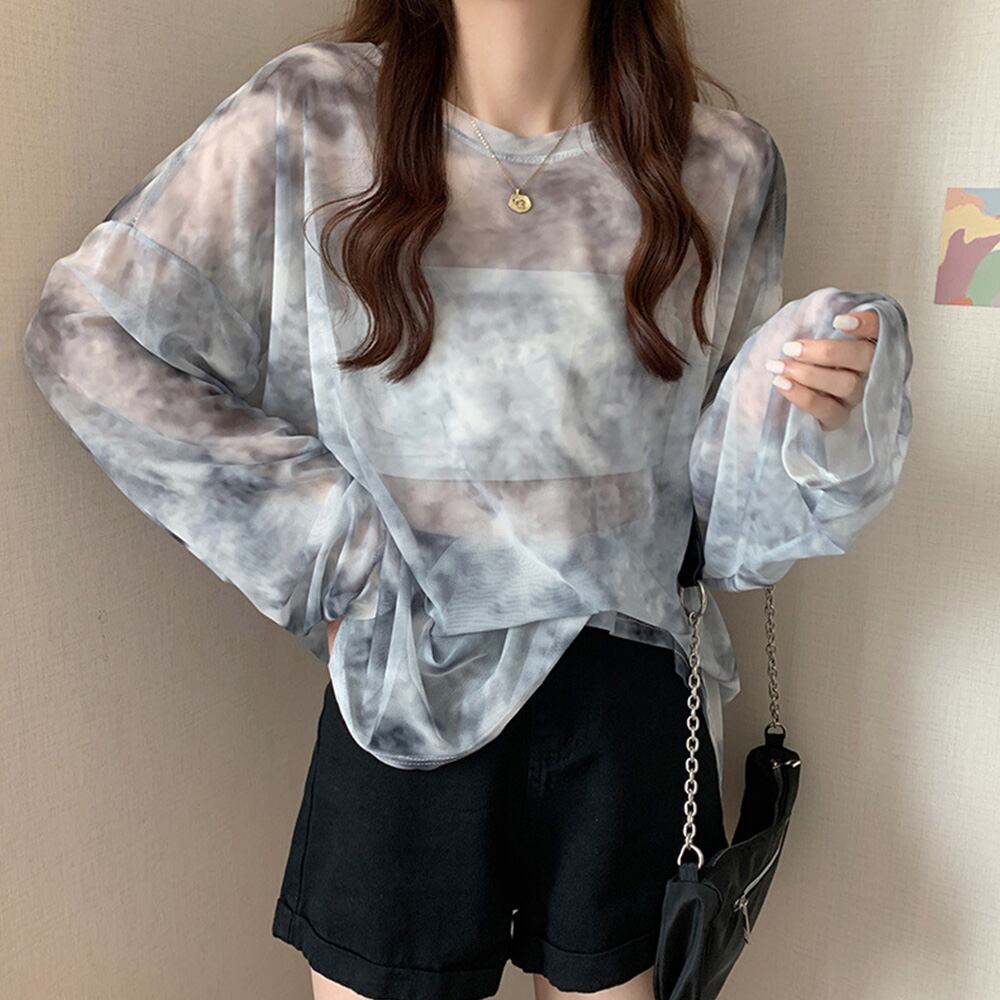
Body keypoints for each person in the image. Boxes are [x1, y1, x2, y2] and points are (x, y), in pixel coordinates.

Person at [20, 2, 914, 999]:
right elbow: (84, 333)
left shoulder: (723, 164)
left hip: (629, 712)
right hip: (403, 695)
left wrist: (812, 426)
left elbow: (717, 527)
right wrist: (334, 552)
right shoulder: (313, 114)